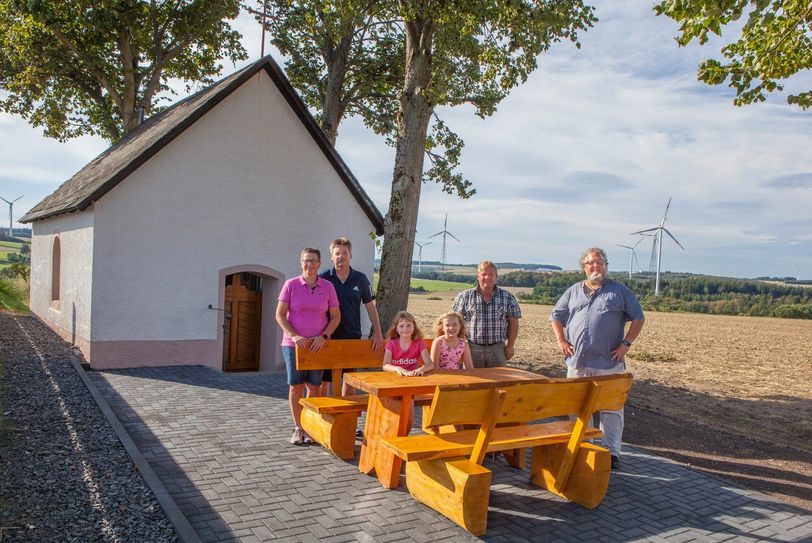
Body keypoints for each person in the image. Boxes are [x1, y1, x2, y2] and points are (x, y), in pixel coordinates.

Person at [549, 247, 645, 470]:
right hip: (578, 362)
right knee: (577, 407)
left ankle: (611, 452)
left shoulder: (619, 291)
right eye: (591, 263)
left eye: (600, 262)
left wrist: (626, 344)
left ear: (606, 266)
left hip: (609, 363)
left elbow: (638, 318)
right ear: (584, 267)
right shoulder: (573, 291)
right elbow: (555, 316)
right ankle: (583, 447)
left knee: (611, 409)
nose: (596, 266)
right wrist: (561, 340)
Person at [275, 248, 341, 445]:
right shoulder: (291, 285)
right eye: (306, 260)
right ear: (301, 262)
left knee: (315, 387)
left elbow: (336, 316)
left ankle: (310, 427)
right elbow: (279, 315)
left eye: (313, 261)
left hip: (317, 345)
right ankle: (298, 428)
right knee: (296, 387)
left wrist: (325, 336)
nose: (310, 264)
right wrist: (294, 336)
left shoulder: (328, 287)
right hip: (293, 345)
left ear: (319, 263)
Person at [319, 237, 384, 395]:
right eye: (337, 253)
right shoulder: (323, 278)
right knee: (324, 380)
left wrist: (378, 333)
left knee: (349, 379)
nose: (341, 256)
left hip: (352, 335)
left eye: (345, 253)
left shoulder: (360, 279)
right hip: (328, 336)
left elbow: (370, 307)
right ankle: (324, 416)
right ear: (332, 256)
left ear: (350, 255)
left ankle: (347, 416)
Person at [451, 260, 521, 367]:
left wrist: (510, 346)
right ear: (477, 276)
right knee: (472, 381)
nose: (487, 277)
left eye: (491, 274)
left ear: (496, 277)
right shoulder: (464, 296)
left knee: (499, 381)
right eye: (483, 274)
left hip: (498, 349)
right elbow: (455, 321)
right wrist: (459, 345)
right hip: (472, 348)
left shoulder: (508, 297)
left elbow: (514, 323)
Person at [382, 311, 433, 377]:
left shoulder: (420, 343)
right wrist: (397, 368)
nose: (405, 329)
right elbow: (385, 365)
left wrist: (421, 369)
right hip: (395, 376)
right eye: (401, 326)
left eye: (409, 325)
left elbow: (430, 364)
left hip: (413, 376)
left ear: (414, 326)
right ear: (396, 329)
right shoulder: (391, 344)